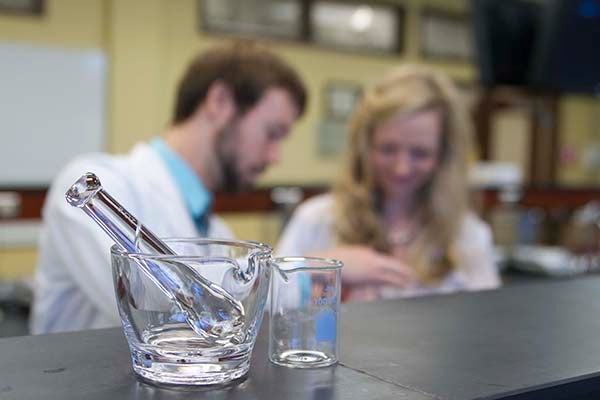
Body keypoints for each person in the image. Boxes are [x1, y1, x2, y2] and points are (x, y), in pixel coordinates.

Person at [31, 41, 307, 334]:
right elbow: (154, 296)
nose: (275, 157)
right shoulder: (97, 188)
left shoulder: (216, 232)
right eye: (272, 133)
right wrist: (304, 279)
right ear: (220, 101)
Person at [276, 65, 500, 302]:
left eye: (420, 153)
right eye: (388, 149)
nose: (401, 168)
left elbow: (484, 323)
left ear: (443, 156)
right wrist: (323, 271)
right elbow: (267, 302)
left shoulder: (468, 236)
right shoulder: (317, 220)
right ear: (365, 145)